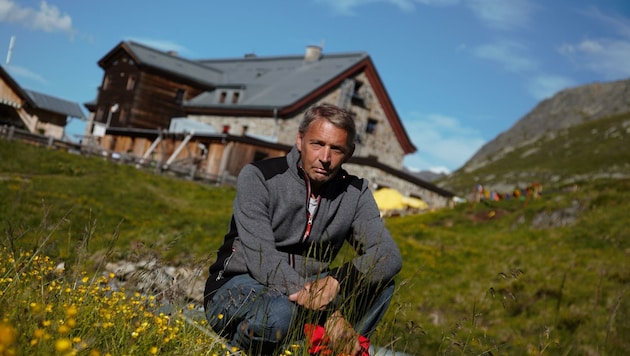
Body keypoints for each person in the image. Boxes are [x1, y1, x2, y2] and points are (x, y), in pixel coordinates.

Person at [204, 103, 402, 355]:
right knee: (278, 311)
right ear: (300, 140)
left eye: (336, 149)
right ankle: (237, 351)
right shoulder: (259, 176)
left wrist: (336, 281)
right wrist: (330, 314)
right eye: (317, 144)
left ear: (349, 153)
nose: (325, 158)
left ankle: (340, 350)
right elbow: (261, 258)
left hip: (310, 293)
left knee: (383, 285)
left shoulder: (355, 192)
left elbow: (388, 255)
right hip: (240, 285)